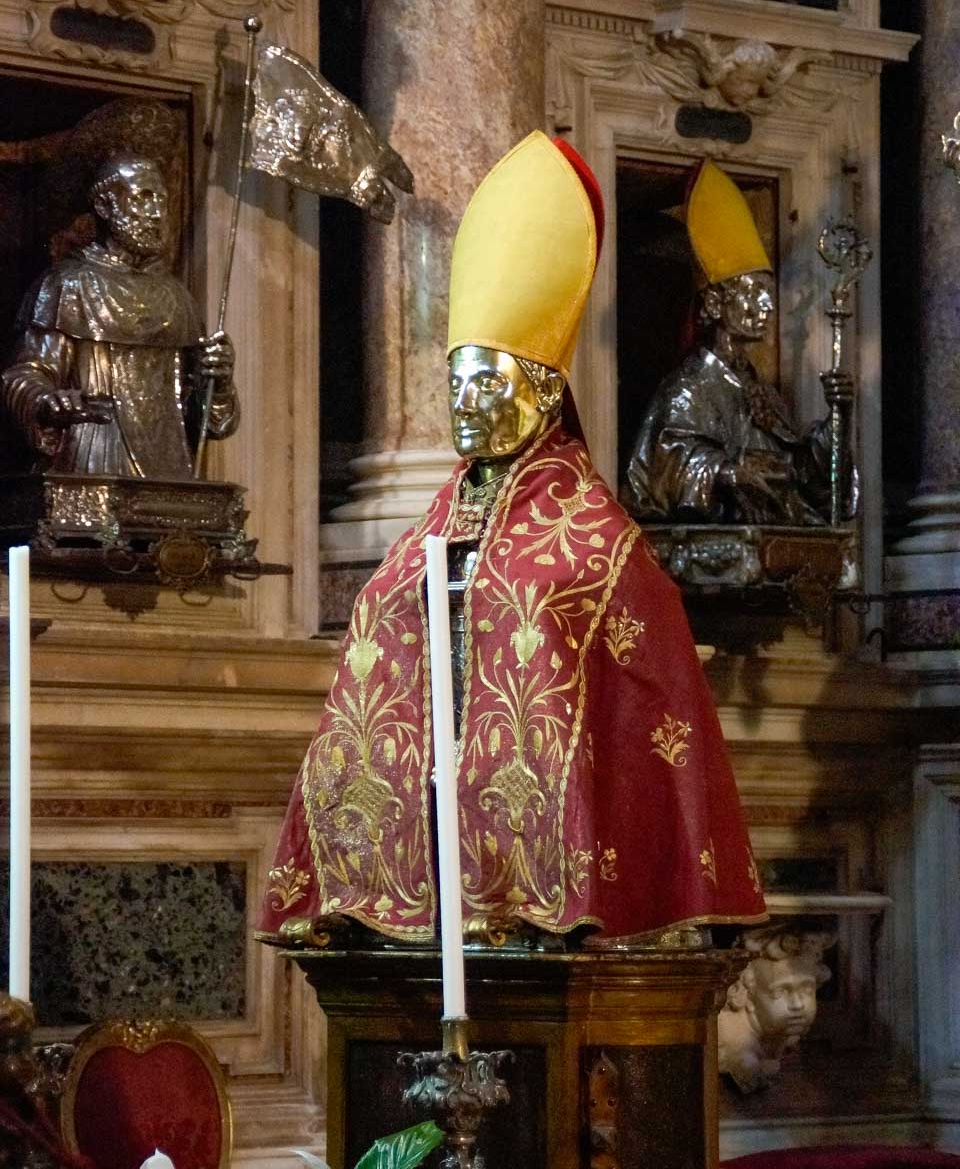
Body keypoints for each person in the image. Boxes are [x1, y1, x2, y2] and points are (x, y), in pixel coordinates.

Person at [257, 132, 766, 948]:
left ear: (540, 390)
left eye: (485, 379)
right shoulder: (433, 526)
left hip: (548, 921)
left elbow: (650, 691)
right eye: (454, 380)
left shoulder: (596, 543)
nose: (464, 403)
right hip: (419, 884)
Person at [625, 159, 855, 526]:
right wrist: (729, 473)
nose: (767, 305)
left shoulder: (761, 391)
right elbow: (662, 468)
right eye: (753, 292)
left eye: (768, 293)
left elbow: (804, 476)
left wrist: (839, 417)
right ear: (715, 303)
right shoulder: (690, 388)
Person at [3, 155, 237, 479]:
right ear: (104, 205)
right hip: (90, 468)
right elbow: (25, 375)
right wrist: (47, 400)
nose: (157, 214)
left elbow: (202, 423)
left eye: (162, 201)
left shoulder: (177, 299)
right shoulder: (69, 286)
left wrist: (219, 385)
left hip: (169, 482)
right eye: (144, 198)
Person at [718, 926, 834, 1093]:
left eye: (807, 989)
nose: (798, 1004)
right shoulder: (733, 1042)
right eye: (781, 991)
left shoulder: (781, 1029)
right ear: (747, 992)